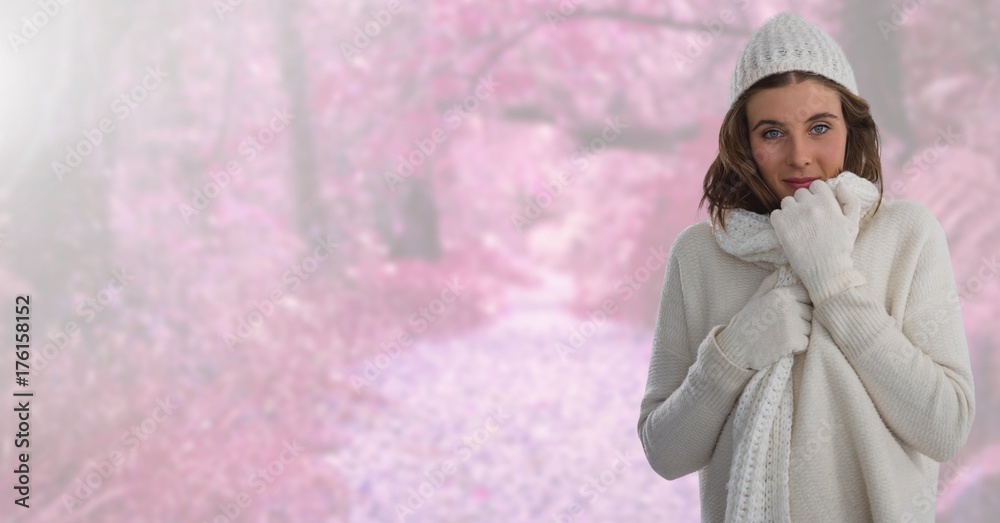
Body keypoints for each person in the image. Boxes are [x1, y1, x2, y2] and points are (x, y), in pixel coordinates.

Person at [636, 11, 976, 523]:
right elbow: (666, 453)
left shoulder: (906, 233)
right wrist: (734, 353)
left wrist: (834, 286)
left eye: (820, 127)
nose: (800, 157)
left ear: (850, 127)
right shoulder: (700, 254)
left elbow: (945, 428)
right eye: (772, 132)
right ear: (742, 141)